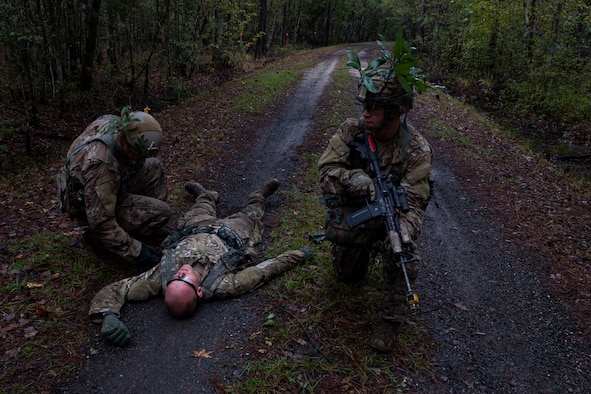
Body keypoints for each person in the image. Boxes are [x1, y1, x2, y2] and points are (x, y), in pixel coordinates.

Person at [88, 178, 313, 347]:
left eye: (176, 277)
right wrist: (298, 255)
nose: (181, 272)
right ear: (199, 292)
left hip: (196, 227)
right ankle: (261, 194)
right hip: (233, 233)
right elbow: (265, 270)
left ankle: (205, 195)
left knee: (201, 207)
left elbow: (119, 288)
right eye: (184, 279)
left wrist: (108, 314)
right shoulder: (224, 285)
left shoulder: (160, 277)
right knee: (252, 212)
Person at [317, 73, 433, 352]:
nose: (365, 114)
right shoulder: (352, 131)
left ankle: (390, 319)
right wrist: (355, 180)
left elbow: (415, 203)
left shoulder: (416, 149)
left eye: (374, 109)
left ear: (394, 112)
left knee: (402, 249)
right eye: (364, 107)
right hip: (360, 207)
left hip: (394, 213)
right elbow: (325, 172)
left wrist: (402, 231)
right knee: (348, 276)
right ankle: (356, 254)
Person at [57, 108, 171, 267]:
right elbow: (101, 222)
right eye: (139, 154)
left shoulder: (117, 124)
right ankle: (98, 240)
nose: (142, 159)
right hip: (87, 204)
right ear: (124, 143)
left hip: (103, 183)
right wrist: (138, 253)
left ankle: (141, 224)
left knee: (153, 165)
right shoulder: (103, 165)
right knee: (161, 212)